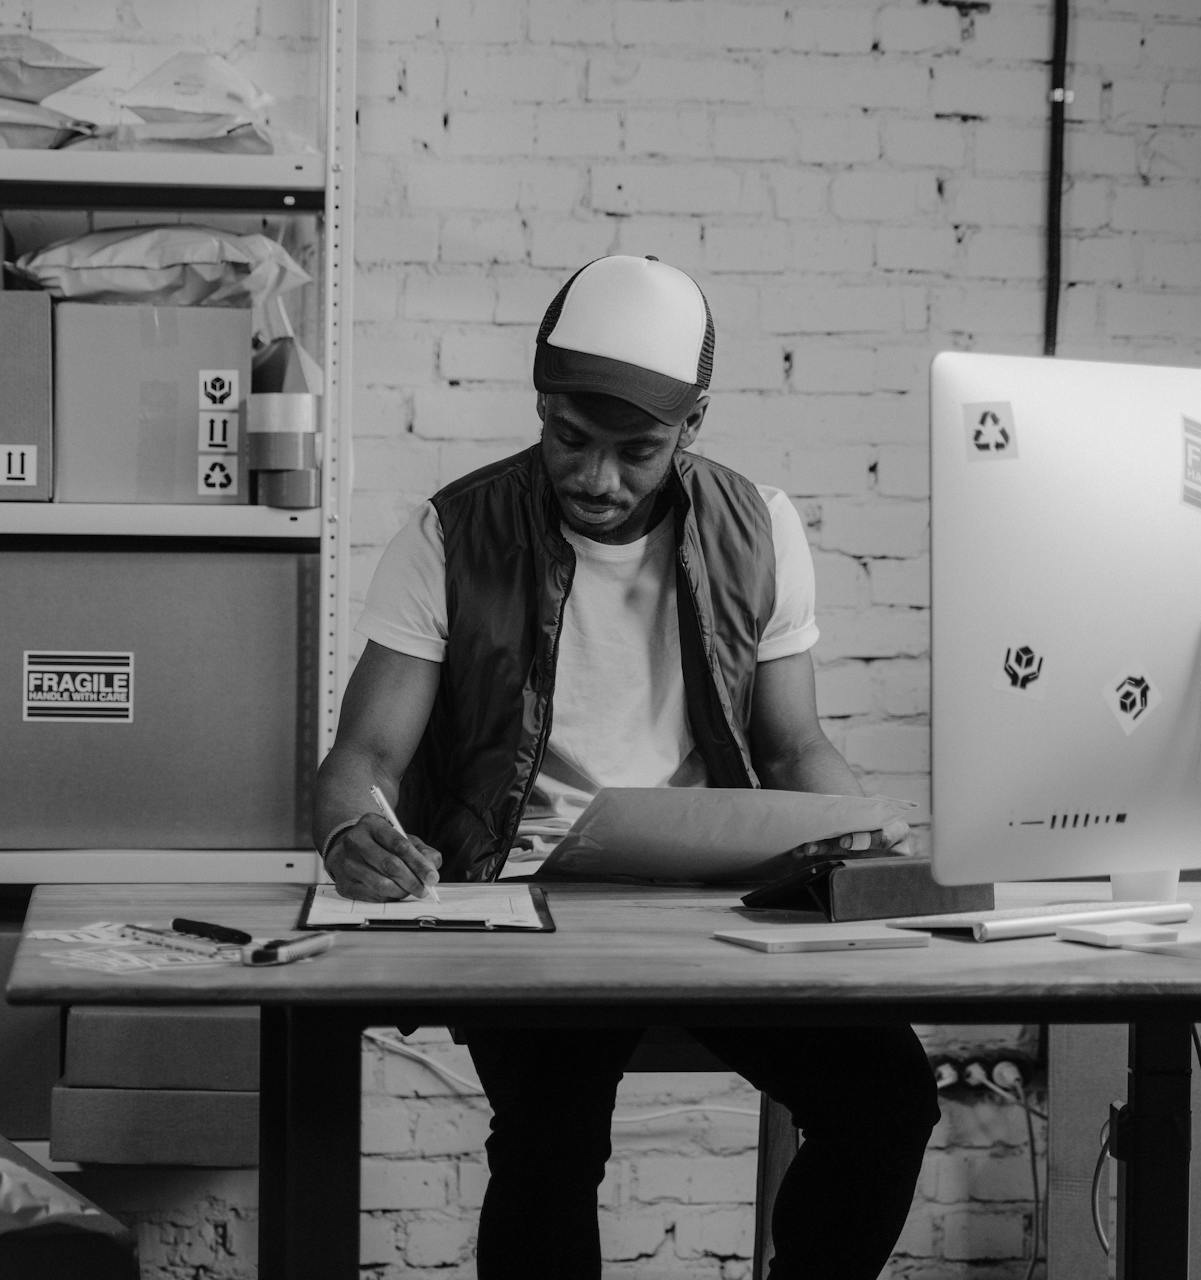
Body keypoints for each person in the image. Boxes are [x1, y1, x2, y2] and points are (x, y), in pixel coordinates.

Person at [314, 254, 941, 1278]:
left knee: (888, 1101)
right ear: (541, 401)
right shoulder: (449, 534)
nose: (595, 477)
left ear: (691, 427)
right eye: (570, 437)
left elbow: (791, 744)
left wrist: (867, 842)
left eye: (635, 449)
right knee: (552, 1135)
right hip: (526, 911)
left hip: (711, 908)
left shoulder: (758, 528)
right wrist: (351, 829)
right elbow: (365, 756)